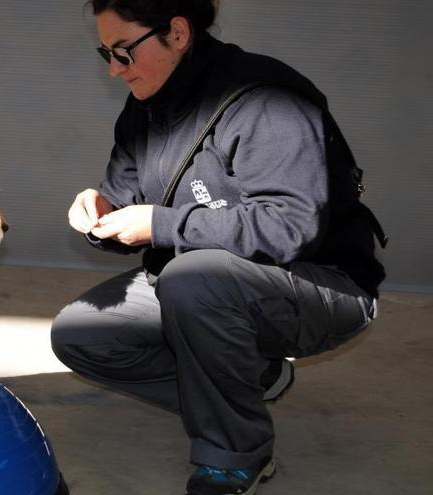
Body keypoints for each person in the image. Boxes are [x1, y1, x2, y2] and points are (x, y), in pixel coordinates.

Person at [50, 1, 387, 494]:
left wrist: (162, 224)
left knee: (192, 281)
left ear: (178, 33)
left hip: (320, 282)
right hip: (206, 281)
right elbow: (131, 202)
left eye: (124, 51)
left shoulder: (265, 101)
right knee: (82, 334)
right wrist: (99, 211)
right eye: (106, 52)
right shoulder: (147, 107)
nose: (114, 69)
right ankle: (250, 377)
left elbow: (291, 226)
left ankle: (234, 456)